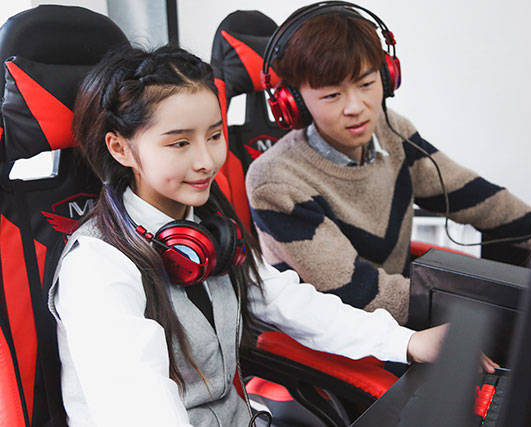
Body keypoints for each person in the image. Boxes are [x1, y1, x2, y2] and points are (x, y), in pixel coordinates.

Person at [47, 45, 495, 427]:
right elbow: (141, 412)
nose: (206, 161)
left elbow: (284, 300)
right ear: (120, 147)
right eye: (179, 143)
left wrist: (406, 341)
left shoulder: (206, 227)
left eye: (215, 135)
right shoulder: (99, 268)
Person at [246, 2, 531, 326]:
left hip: (398, 321)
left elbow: (476, 199)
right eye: (332, 95)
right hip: (338, 337)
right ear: (294, 103)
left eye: (366, 84)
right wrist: (485, 307)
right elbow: (354, 292)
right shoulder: (275, 180)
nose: (356, 107)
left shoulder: (390, 131)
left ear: (387, 77)